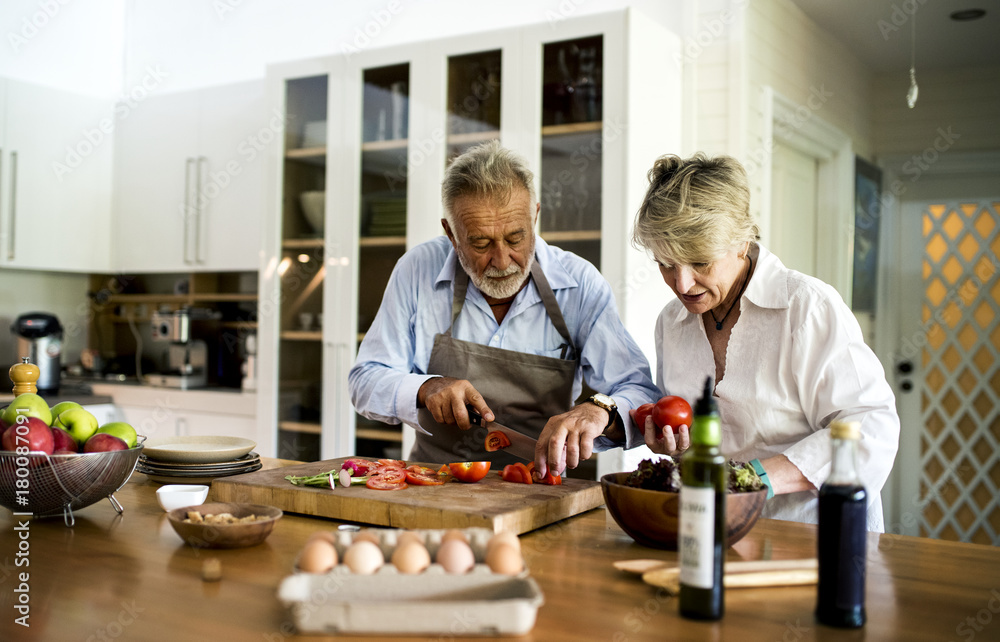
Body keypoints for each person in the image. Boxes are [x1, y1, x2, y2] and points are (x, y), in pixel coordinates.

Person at [349, 140, 660, 477]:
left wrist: (600, 411)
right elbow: (365, 380)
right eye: (480, 243)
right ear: (451, 234)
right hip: (435, 482)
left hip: (539, 487)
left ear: (536, 216)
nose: (502, 260)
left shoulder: (579, 283)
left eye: (515, 239)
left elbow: (639, 392)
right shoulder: (416, 270)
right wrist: (426, 388)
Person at [630, 152, 899, 532]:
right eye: (666, 264)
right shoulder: (671, 322)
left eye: (700, 262)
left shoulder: (805, 307)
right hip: (713, 531)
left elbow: (871, 426)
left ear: (742, 241)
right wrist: (675, 448)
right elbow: (698, 443)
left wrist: (759, 478)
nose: (682, 284)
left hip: (814, 536)